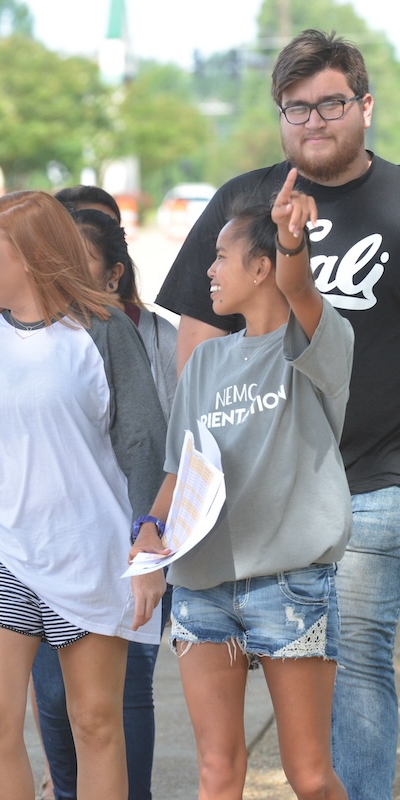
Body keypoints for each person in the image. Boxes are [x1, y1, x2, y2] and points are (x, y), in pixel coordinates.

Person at [154, 29, 400, 799]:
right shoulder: (239, 200)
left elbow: (304, 303)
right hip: (251, 495)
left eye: (331, 103)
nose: (314, 120)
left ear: (363, 106)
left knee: (358, 655)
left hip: (371, 476)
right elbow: (196, 330)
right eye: (296, 107)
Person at [0, 190, 167, 800]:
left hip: (88, 553)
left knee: (95, 723)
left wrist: (149, 545)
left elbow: (144, 442)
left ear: (32, 255)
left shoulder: (102, 330)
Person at [133, 171, 353, 799]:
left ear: (261, 268)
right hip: (200, 585)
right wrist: (149, 533)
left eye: (221, 257)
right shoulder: (205, 360)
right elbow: (180, 469)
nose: (210, 270)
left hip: (288, 582)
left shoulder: (313, 342)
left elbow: (300, 288)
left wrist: (292, 246)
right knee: (217, 773)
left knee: (309, 777)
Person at [30, 203, 177, 800]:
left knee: (127, 686)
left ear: (114, 274)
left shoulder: (156, 336)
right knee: (54, 690)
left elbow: (175, 436)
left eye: (78, 260)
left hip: (131, 535)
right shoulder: (25, 332)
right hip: (49, 539)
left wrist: (154, 529)